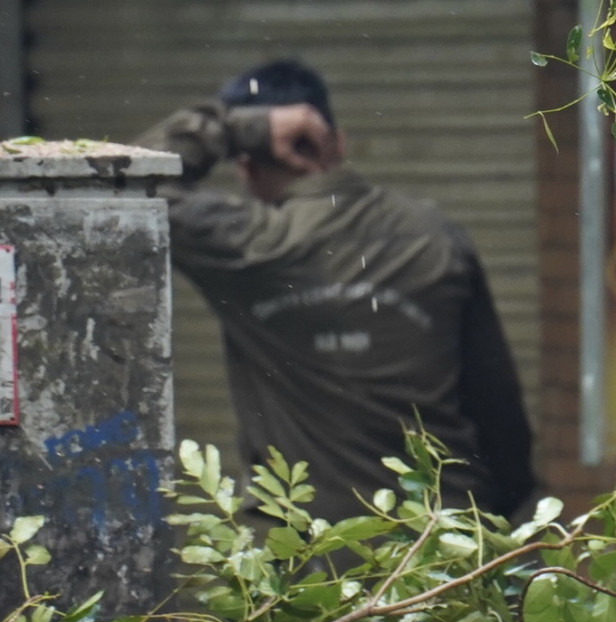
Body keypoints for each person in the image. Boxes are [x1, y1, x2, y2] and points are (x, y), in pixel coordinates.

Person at [136, 58, 535, 522]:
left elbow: (133, 182)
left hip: (313, 565)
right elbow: (499, 414)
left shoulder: (248, 248)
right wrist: (494, 518)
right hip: (446, 546)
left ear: (244, 166)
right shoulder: (436, 236)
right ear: (339, 143)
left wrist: (238, 128)